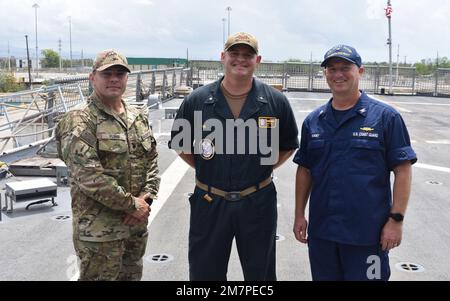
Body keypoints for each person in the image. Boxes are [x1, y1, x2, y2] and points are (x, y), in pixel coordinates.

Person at [170, 32, 299, 280]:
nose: (241, 59)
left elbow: (287, 145)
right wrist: (207, 168)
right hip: (210, 201)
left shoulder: (275, 101)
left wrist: (262, 168)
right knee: (205, 274)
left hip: (257, 201)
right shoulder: (197, 100)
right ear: (223, 57)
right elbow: (180, 144)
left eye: (247, 55)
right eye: (234, 54)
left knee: (260, 275)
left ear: (257, 60)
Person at [293, 44, 417, 281]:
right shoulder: (314, 121)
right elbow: (305, 169)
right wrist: (299, 214)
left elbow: (403, 171)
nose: (338, 74)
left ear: (360, 71)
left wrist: (396, 221)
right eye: (331, 69)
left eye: (345, 68)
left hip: (367, 235)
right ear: (325, 74)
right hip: (323, 234)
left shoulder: (385, 118)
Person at [55, 49, 160, 281]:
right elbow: (90, 178)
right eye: (107, 73)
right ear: (92, 78)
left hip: (135, 228)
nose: (114, 79)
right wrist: (132, 205)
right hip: (100, 234)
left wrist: (146, 199)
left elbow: (152, 160)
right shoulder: (79, 120)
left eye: (120, 74)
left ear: (126, 79)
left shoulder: (137, 116)